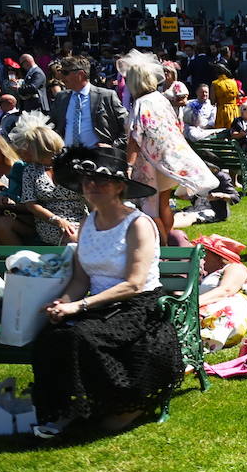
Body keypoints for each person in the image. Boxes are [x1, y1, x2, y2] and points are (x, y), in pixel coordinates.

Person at [32, 146, 184, 438]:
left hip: (139, 306)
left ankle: (124, 403)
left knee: (81, 337)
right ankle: (64, 407)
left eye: (101, 181)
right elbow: (80, 278)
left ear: (119, 187)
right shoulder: (87, 223)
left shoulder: (138, 224)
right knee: (51, 336)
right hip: (96, 305)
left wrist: (80, 307)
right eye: (87, 181)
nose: (92, 186)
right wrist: (62, 302)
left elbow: (135, 283)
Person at [119, 50, 218, 241]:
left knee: (150, 208)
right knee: (163, 204)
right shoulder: (161, 99)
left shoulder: (140, 104)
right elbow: (177, 126)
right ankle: (168, 245)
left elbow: (134, 138)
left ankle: (162, 246)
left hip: (150, 164)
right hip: (169, 160)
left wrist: (129, 166)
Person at [11, 111, 84, 246]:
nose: (26, 150)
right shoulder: (30, 170)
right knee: (73, 240)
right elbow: (31, 204)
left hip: (81, 218)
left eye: (29, 147)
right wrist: (57, 220)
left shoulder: (74, 166)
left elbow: (91, 197)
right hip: (50, 223)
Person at [49, 56, 127, 149]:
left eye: (65, 73)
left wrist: (113, 146)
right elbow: (52, 125)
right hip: (68, 157)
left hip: (99, 158)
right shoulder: (61, 98)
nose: (61, 77)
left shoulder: (106, 96)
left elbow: (128, 126)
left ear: (80, 74)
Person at [193, 234, 247, 352]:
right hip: (209, 309)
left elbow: (226, 290)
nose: (201, 257)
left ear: (217, 256)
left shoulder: (235, 268)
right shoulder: (207, 275)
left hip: (227, 311)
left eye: (205, 252)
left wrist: (192, 303)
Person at [209, 64, 240, 129]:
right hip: (234, 110)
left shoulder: (215, 84)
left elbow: (212, 101)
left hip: (222, 111)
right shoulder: (233, 82)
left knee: (222, 132)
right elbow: (237, 97)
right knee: (235, 129)